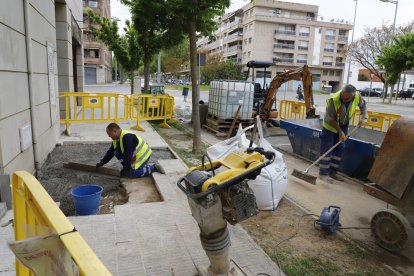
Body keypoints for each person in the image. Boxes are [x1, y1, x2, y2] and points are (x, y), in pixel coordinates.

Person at [319, 84, 368, 184]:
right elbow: (329, 119)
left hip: (344, 125)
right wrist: (340, 132)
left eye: (347, 97)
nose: (345, 99)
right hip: (330, 127)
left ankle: (333, 172)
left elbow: (363, 106)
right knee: (327, 149)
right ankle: (323, 174)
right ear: (341, 92)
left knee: (340, 148)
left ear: (353, 95)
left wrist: (364, 118)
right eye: (343, 96)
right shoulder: (333, 99)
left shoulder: (357, 96)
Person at [96, 123, 164, 177]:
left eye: (109, 134)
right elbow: (111, 152)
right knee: (116, 152)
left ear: (114, 131)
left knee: (131, 174)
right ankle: (133, 168)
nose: (108, 136)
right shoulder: (116, 138)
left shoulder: (127, 137)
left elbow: (127, 154)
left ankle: (153, 168)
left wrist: (127, 169)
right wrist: (103, 162)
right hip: (135, 157)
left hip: (143, 156)